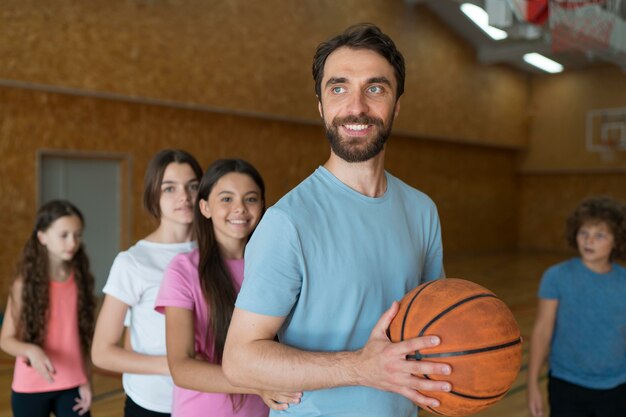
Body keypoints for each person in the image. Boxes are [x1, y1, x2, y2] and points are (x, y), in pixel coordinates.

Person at [222, 23, 451, 417]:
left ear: (396, 104)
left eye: (375, 88)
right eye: (339, 88)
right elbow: (240, 360)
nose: (357, 107)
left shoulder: (422, 210)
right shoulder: (287, 222)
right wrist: (362, 368)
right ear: (321, 105)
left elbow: (437, 323)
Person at [154, 159, 302, 417]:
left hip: (269, 410)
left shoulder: (276, 266)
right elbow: (181, 367)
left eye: (251, 199)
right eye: (226, 199)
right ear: (205, 207)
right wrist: (258, 384)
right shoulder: (183, 270)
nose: (240, 209)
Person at [91, 149, 203, 417]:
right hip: (153, 405)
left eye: (192, 186)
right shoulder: (133, 262)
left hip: (205, 400)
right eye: (169, 188)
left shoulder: (216, 253)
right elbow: (102, 352)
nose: (184, 196)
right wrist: (176, 365)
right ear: (154, 195)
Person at [527, 196, 626, 417]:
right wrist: (532, 383)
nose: (589, 241)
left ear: (616, 241)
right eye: (584, 233)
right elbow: (542, 331)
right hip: (566, 385)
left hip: (616, 388)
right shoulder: (556, 276)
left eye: (599, 235)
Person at [0, 200, 96, 417]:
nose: (72, 242)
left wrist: (86, 380)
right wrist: (31, 350)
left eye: (77, 234)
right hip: (30, 385)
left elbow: (82, 339)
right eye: (64, 235)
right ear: (42, 237)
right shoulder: (23, 285)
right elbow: (6, 339)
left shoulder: (80, 280)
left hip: (73, 384)